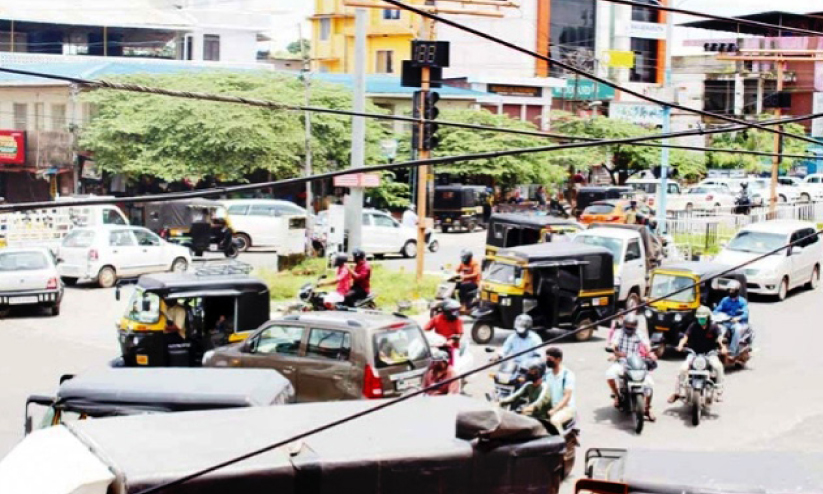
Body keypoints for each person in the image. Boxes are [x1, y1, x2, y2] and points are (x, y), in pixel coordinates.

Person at [669, 306, 727, 403]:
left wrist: (723, 347)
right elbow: (685, 337)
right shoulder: (693, 326)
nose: (701, 320)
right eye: (699, 318)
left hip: (709, 353)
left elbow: (720, 338)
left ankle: (719, 391)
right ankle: (678, 392)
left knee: (718, 366)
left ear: (708, 318)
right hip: (694, 353)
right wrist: (680, 345)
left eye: (703, 318)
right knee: (683, 369)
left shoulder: (713, 327)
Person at [606, 314, 656, 421]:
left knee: (649, 385)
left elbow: (647, 344)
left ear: (636, 326)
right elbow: (614, 343)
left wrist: (650, 353)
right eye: (627, 325)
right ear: (624, 325)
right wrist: (613, 352)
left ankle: (647, 409)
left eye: (632, 326)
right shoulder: (619, 332)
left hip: (636, 362)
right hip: (622, 361)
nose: (629, 328)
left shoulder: (639, 334)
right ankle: (617, 395)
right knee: (610, 375)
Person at [499, 358, 553, 424]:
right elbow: (515, 396)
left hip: (543, 418)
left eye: (531, 371)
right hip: (531, 415)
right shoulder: (529, 385)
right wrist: (501, 402)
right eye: (528, 370)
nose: (528, 373)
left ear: (539, 373)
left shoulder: (545, 387)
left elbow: (541, 401)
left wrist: (531, 407)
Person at [542, 347, 577, 434]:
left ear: (558, 359)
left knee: (555, 421)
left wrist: (555, 410)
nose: (548, 361)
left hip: (566, 408)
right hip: (551, 407)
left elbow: (567, 396)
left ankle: (561, 443)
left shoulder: (567, 375)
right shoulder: (547, 375)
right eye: (547, 359)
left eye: (550, 359)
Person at [713, 280, 749, 357]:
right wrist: (716, 315)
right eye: (729, 290)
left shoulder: (742, 302)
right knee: (718, 330)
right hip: (725, 322)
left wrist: (738, 318)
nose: (730, 292)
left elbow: (745, 314)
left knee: (737, 329)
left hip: (737, 323)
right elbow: (716, 310)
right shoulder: (725, 300)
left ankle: (732, 351)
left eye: (732, 290)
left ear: (737, 291)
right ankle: (718, 348)